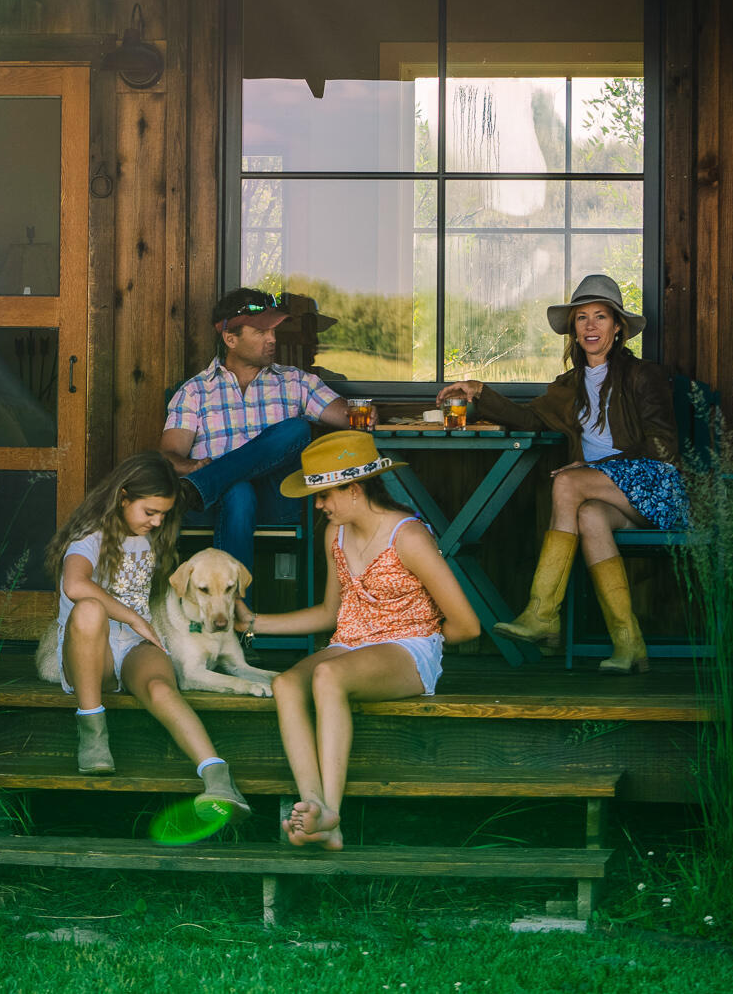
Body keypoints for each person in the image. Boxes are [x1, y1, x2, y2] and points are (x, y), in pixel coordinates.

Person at [434, 273, 686, 674]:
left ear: (617, 327)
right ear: (574, 328)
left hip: (657, 488)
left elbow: (664, 446)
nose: (590, 325)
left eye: (600, 316)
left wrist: (595, 467)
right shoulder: (569, 385)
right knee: (589, 516)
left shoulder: (643, 375)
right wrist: (480, 392)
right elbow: (530, 419)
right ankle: (629, 644)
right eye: (582, 317)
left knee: (567, 482)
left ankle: (542, 613)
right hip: (607, 496)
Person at [248, 430, 481, 850]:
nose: (318, 505)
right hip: (349, 644)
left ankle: (331, 815)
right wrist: (253, 622)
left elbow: (467, 625)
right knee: (286, 684)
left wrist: (418, 634)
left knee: (329, 676)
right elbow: (329, 614)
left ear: (354, 489)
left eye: (324, 495)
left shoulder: (408, 537)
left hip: (408, 648)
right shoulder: (334, 534)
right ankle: (314, 806)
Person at [41, 452, 252, 818]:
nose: (156, 521)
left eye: (163, 515)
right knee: (89, 609)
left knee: (161, 688)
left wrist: (234, 606)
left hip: (134, 648)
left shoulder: (150, 538)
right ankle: (93, 731)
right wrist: (134, 619)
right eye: (150, 512)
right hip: (91, 654)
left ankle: (217, 777)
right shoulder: (88, 539)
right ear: (123, 497)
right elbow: (75, 585)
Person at [161, 288, 363, 571]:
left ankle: (205, 484)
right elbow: (168, 456)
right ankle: (237, 602)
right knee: (239, 491)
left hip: (275, 501)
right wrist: (192, 467)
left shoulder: (295, 382)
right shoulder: (194, 391)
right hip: (211, 507)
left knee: (297, 428)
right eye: (261, 332)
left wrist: (364, 412)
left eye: (273, 331)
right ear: (230, 339)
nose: (273, 339)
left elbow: (350, 418)